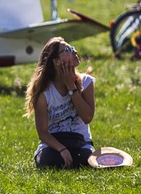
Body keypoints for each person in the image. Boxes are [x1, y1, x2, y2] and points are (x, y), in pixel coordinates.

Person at [24, 37, 96, 168]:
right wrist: (62, 149)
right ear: (56, 61)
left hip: (81, 142)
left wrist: (71, 87)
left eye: (73, 48)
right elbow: (42, 132)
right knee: (47, 160)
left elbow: (87, 117)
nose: (74, 51)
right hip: (54, 144)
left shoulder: (86, 82)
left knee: (86, 159)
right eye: (67, 50)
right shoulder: (44, 92)